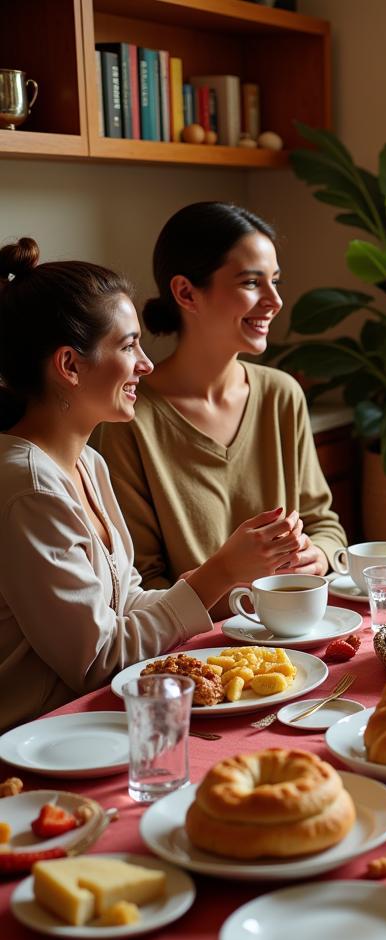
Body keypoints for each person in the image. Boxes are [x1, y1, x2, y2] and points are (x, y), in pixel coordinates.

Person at [0, 239, 303, 732]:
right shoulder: (29, 488)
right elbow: (96, 661)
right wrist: (221, 571)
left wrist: (232, 568)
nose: (145, 363)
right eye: (127, 345)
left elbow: (128, 603)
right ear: (69, 366)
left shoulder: (88, 464)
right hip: (38, 741)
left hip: (97, 721)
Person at [98, 202, 346, 616]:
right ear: (186, 293)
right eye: (252, 283)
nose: (275, 301)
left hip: (294, 634)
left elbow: (326, 527)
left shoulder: (281, 396)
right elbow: (140, 583)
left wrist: (316, 556)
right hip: (196, 653)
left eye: (276, 282)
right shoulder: (129, 419)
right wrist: (229, 584)